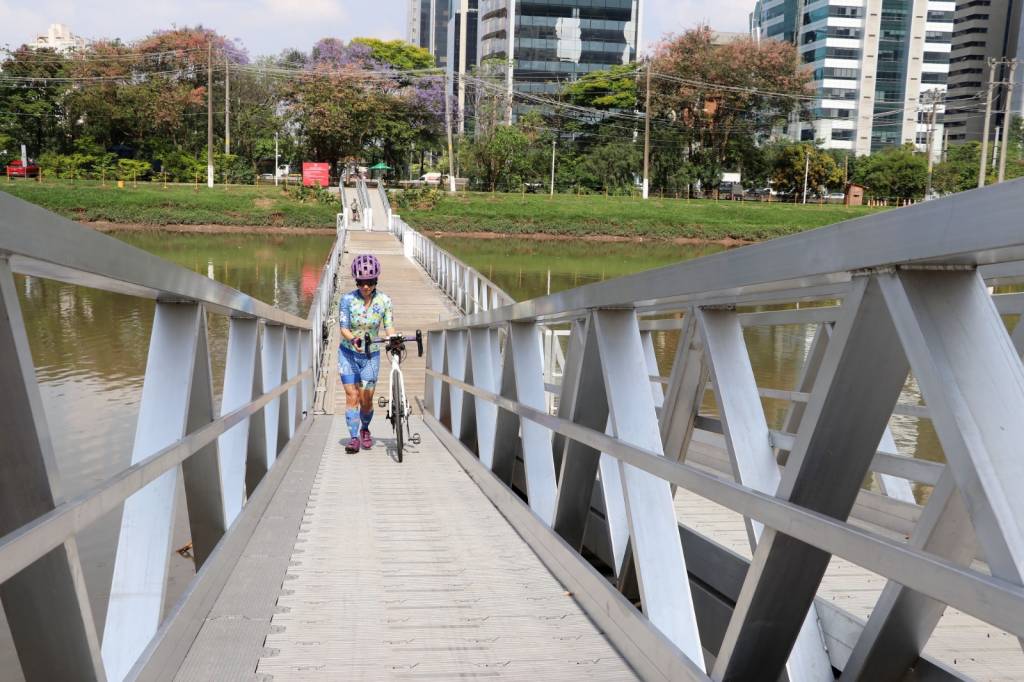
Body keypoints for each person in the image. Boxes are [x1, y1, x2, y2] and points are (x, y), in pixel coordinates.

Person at [338, 254, 395, 453]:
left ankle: (365, 428)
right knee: (352, 396)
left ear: (375, 280)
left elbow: (389, 326)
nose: (365, 286)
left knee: (366, 399)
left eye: (370, 282)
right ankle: (354, 438)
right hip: (348, 353)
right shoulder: (347, 300)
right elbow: (343, 327)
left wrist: (393, 338)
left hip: (371, 355)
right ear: (356, 281)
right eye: (361, 282)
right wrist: (353, 339)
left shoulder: (385, 301)